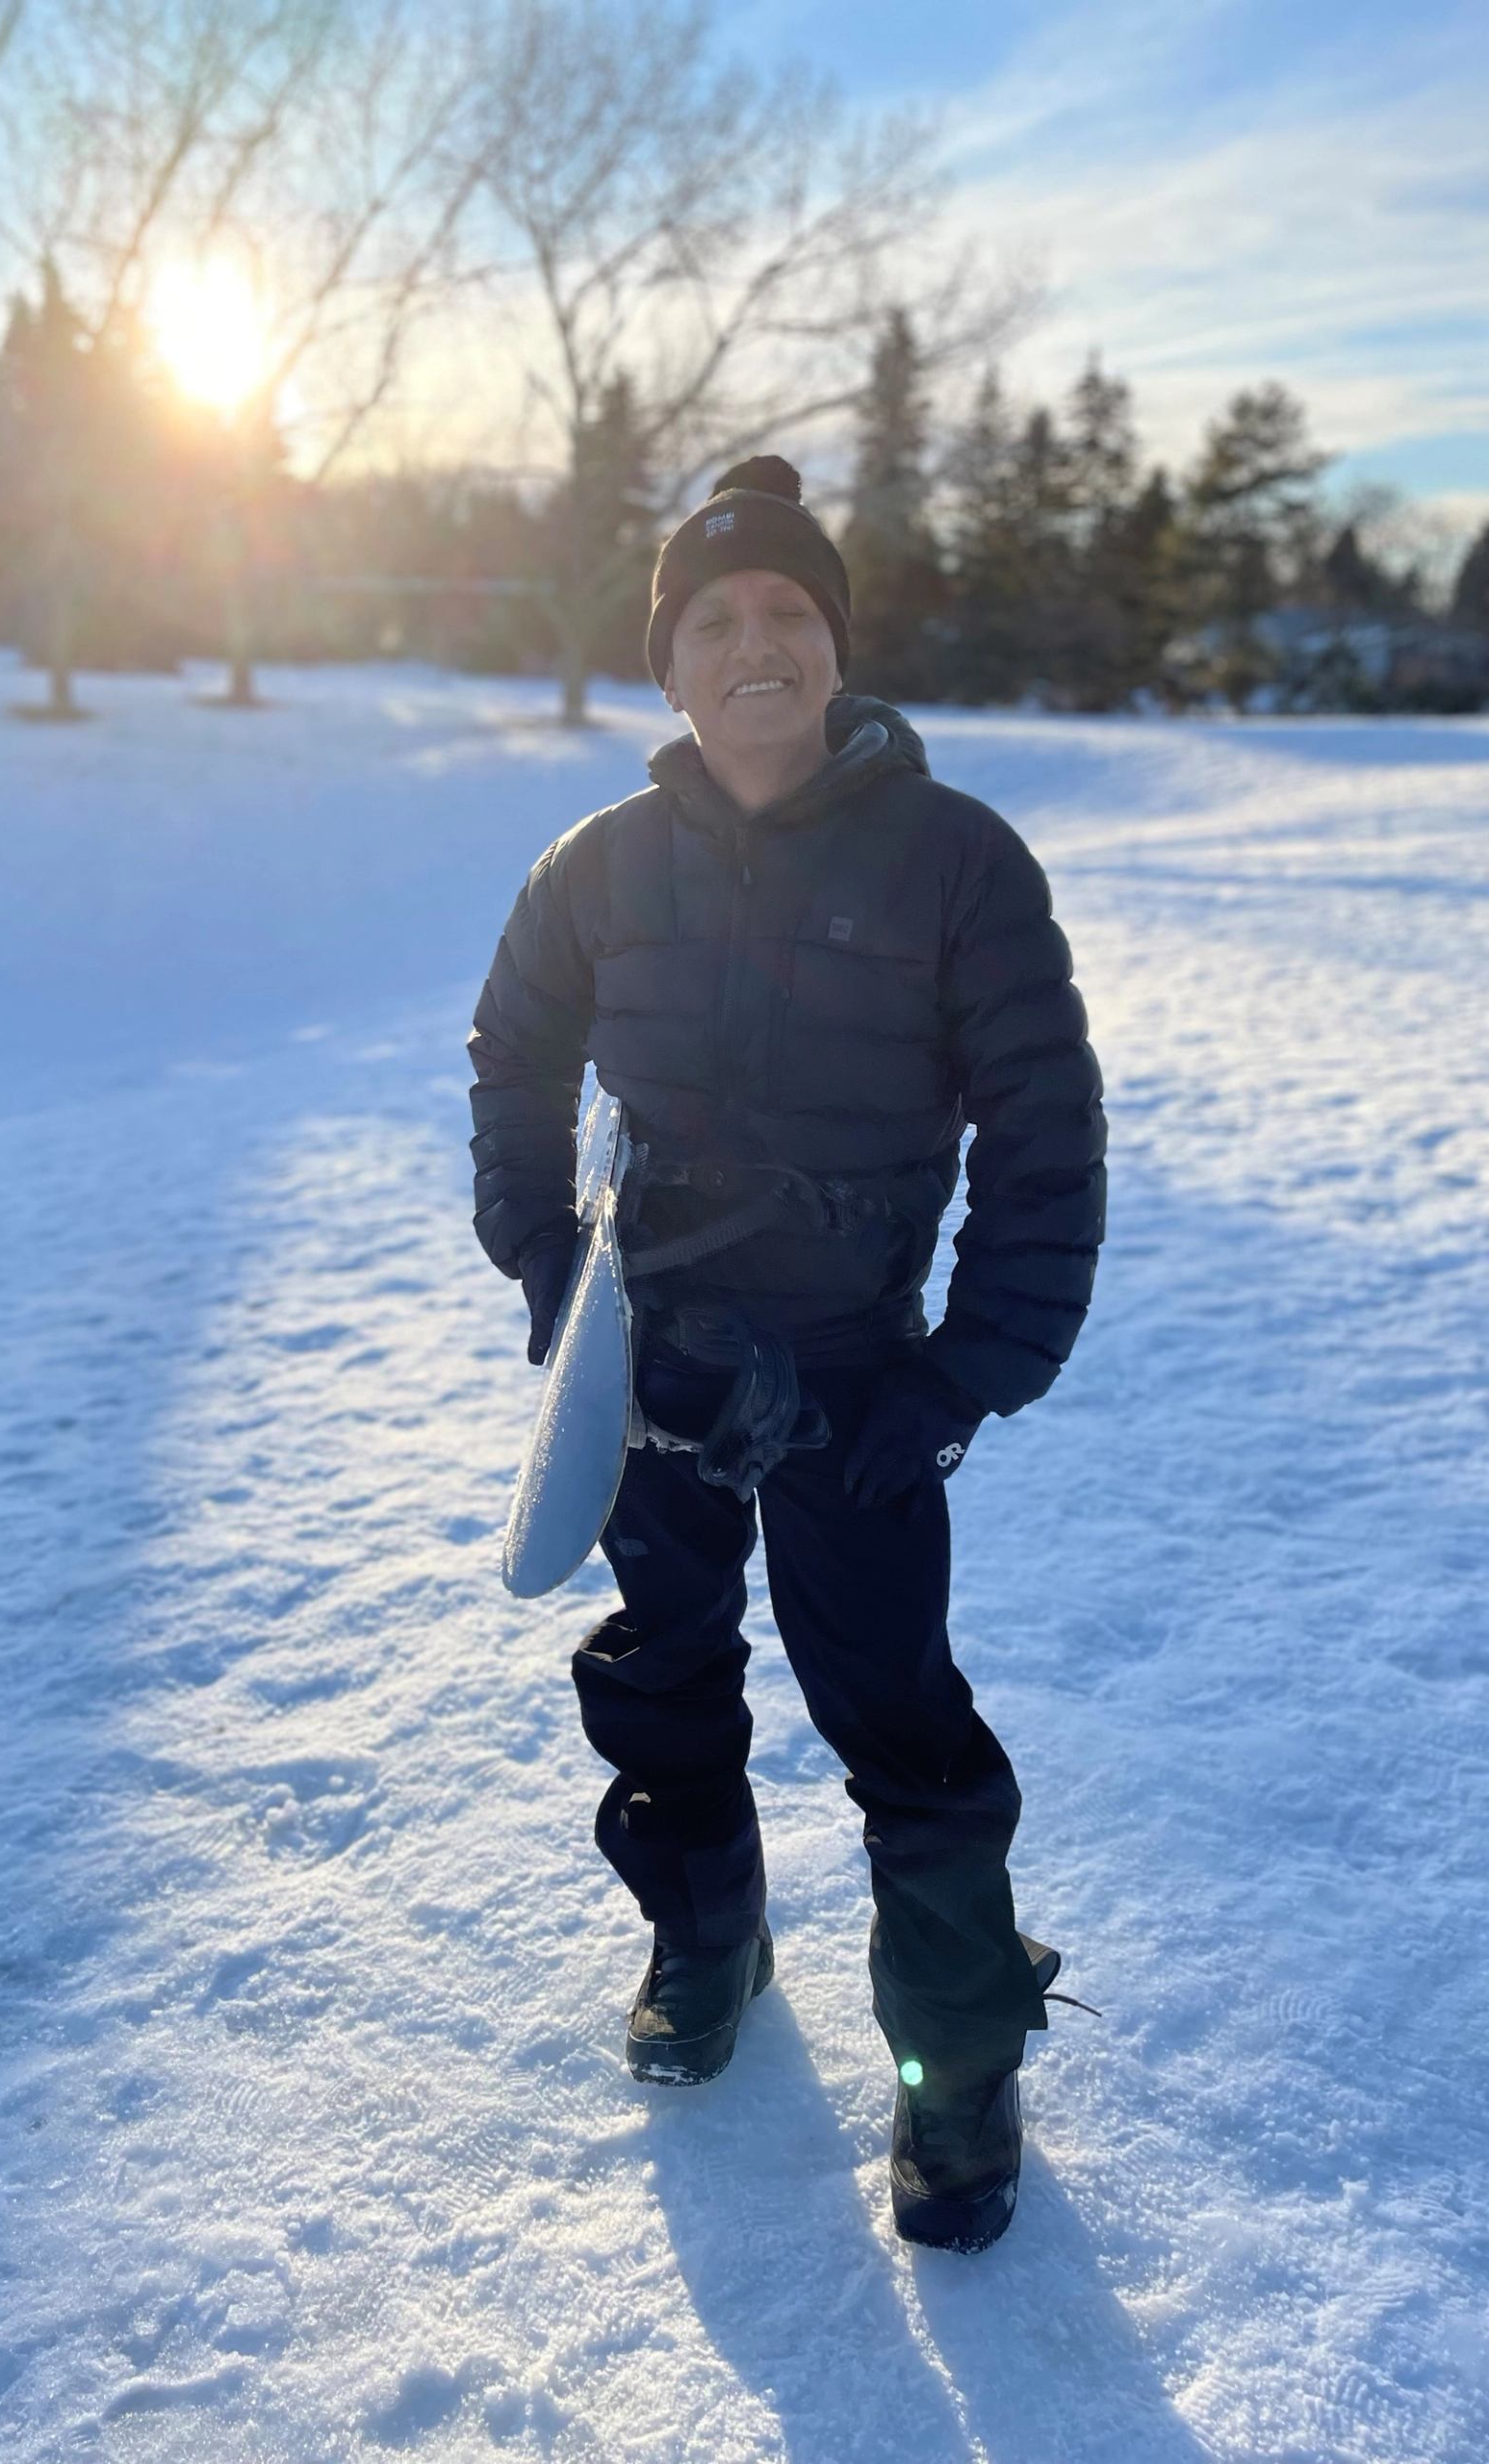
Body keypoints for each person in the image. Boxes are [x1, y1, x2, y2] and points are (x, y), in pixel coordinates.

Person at [466, 455, 1107, 2253]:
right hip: (653, 1362)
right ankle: (708, 1933)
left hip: (854, 1376)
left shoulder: (958, 861)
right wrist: (542, 1264)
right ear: (668, 667)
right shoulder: (597, 866)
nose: (755, 645)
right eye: (715, 622)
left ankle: (957, 2066)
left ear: (834, 650)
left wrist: (964, 1369)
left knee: (898, 1717)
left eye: (789, 616)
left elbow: (1047, 1136)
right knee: (664, 1672)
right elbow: (511, 1059)